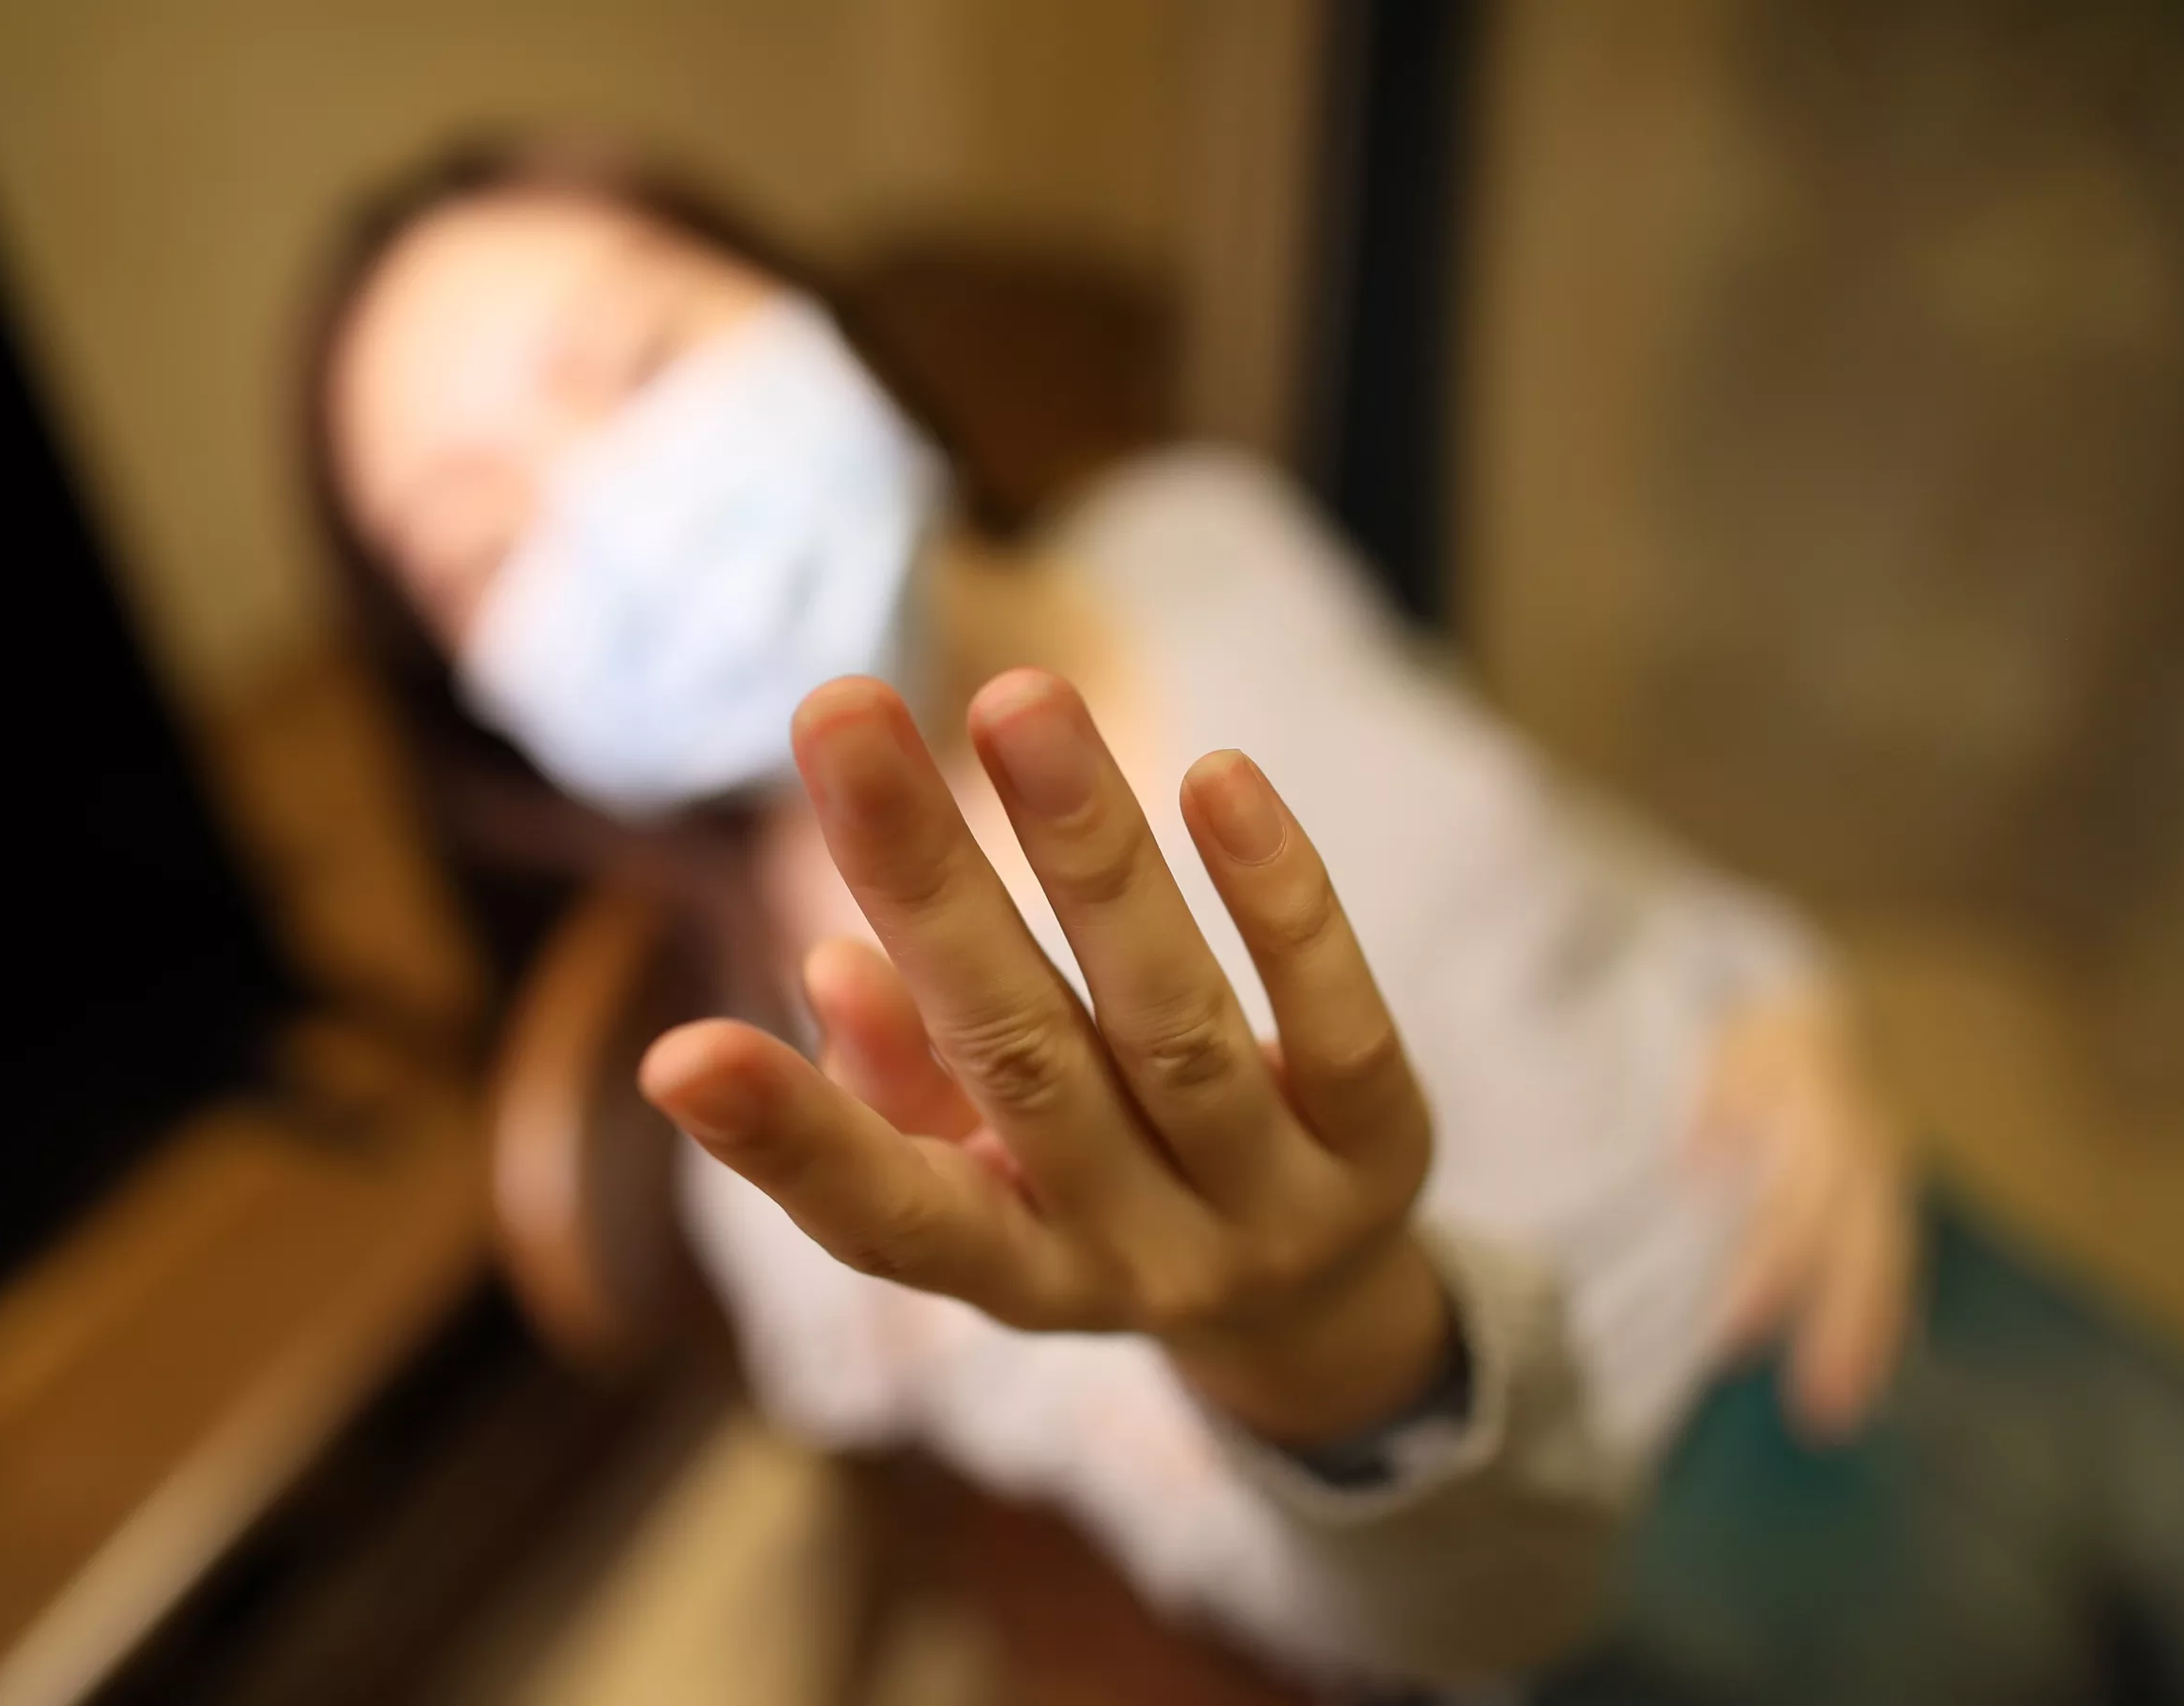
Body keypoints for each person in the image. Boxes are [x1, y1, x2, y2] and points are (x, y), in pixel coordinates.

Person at [302, 139, 1917, 1691]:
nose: (613, 513)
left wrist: (1774, 979)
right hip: (1633, 1541)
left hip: (1809, 1180)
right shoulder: (834, 1188)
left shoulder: (1202, 534)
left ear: (807, 314)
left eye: (642, 364)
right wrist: (1334, 1363)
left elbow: (1531, 816)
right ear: (485, 713)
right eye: (481, 547)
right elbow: (1441, 1621)